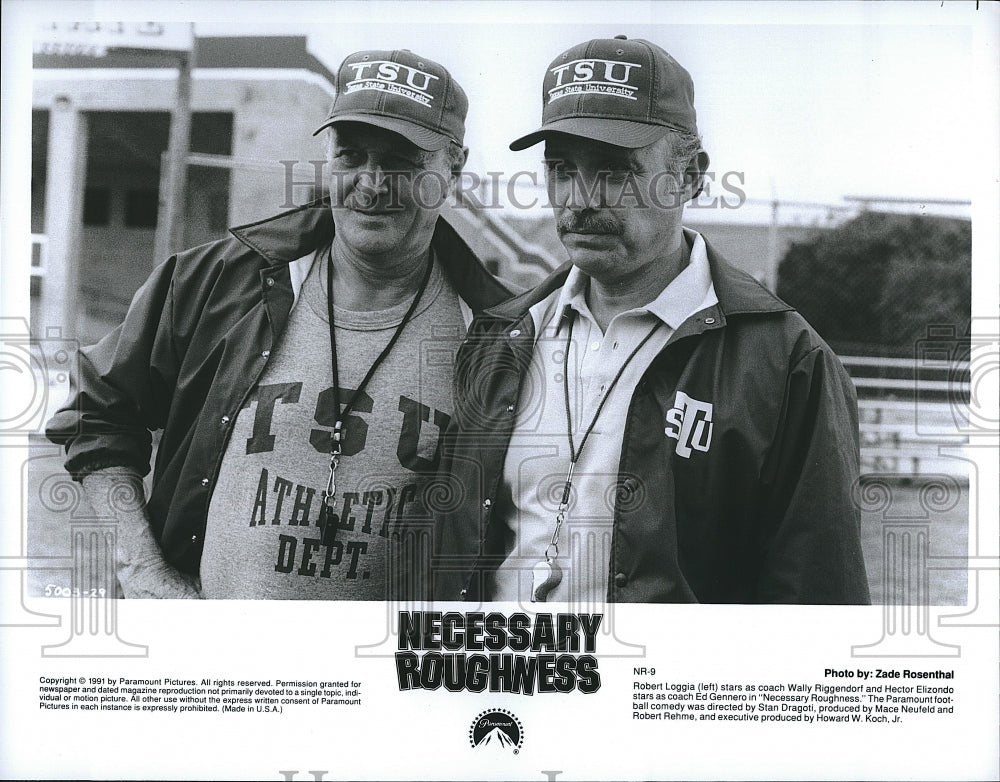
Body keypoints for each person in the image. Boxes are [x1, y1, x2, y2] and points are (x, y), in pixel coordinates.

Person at [46, 48, 513, 599]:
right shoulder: (217, 283)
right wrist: (142, 571)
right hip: (219, 671)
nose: (369, 183)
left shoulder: (496, 335)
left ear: (454, 169)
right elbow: (96, 414)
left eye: (402, 162)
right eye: (351, 155)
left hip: (381, 676)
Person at [430, 36, 870, 604]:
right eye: (561, 169)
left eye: (614, 170)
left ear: (690, 176)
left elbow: (817, 601)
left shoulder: (788, 363)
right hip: (503, 687)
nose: (580, 199)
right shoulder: (500, 336)